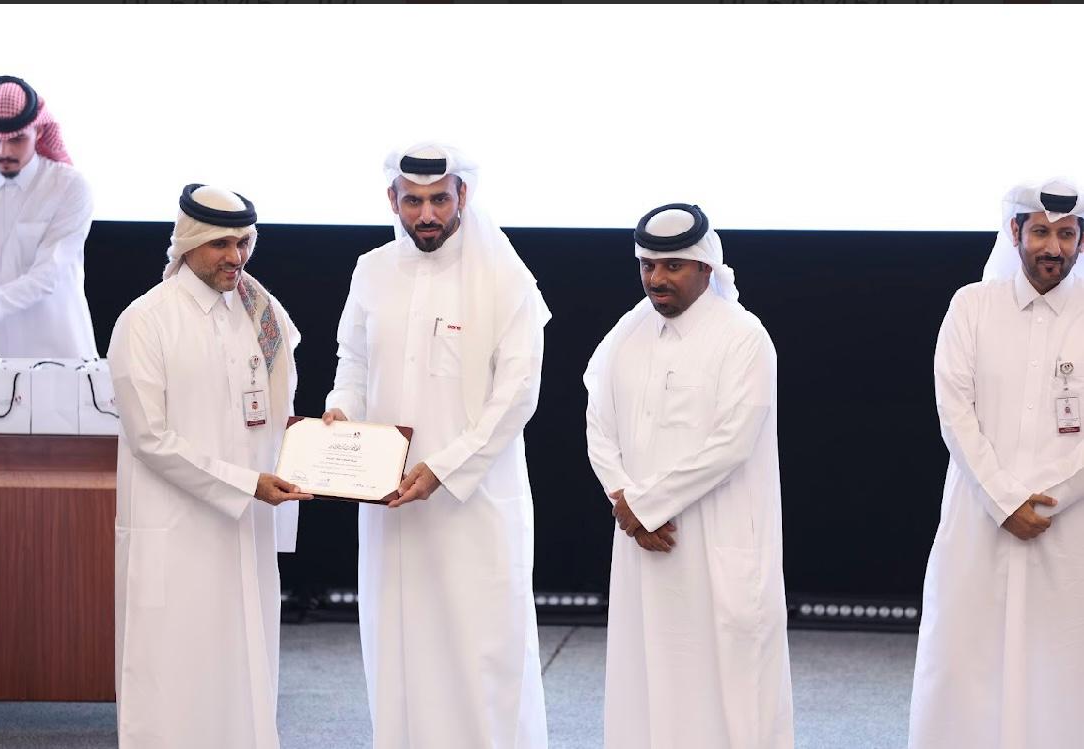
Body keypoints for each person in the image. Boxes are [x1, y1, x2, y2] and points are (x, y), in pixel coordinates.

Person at [323, 142, 552, 748]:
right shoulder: (371, 270)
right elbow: (352, 360)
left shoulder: (505, 279)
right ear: (392, 200)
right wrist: (341, 415)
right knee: (399, 643)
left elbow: (517, 396)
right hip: (390, 503)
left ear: (463, 198)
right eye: (413, 201)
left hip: (472, 504)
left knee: (482, 651)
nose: (426, 214)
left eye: (439, 200)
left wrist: (445, 467)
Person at [583, 203, 793, 748]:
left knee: (726, 688)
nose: (657, 278)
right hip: (641, 543)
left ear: (705, 266)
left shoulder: (743, 336)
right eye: (648, 265)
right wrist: (622, 499)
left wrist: (643, 505)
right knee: (645, 682)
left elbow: (732, 442)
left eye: (672, 266)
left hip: (714, 543)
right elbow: (597, 421)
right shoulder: (627, 334)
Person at [108, 184, 310, 749]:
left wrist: (321, 439)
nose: (235, 256)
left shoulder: (261, 315)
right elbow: (150, 439)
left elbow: (278, 414)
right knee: (174, 678)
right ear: (188, 242)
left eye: (243, 241)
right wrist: (246, 484)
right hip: (176, 535)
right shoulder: (145, 321)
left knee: (246, 669)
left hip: (244, 529)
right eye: (220, 242)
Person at [909, 178, 1084, 748]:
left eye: (1065, 233)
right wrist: (1006, 500)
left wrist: (1053, 496)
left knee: (1059, 664)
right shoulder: (972, 305)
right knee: (964, 659)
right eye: (1040, 232)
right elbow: (954, 409)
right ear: (1015, 234)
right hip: (979, 517)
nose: (1052, 247)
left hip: (1068, 523)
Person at [0, 74, 97, 358]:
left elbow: (47, 275)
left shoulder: (69, 187)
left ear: (39, 132)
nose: (3, 151)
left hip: (57, 357)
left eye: (17, 139)